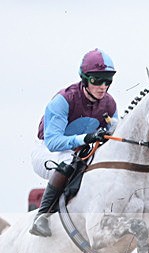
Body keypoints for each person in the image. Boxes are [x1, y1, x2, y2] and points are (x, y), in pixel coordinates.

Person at [29, 49, 118, 237]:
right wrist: (85, 138)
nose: (103, 87)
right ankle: (42, 216)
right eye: (97, 80)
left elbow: (113, 132)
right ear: (85, 79)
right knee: (69, 162)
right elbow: (53, 142)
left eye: (107, 81)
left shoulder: (109, 104)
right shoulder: (64, 100)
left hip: (79, 152)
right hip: (47, 151)